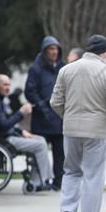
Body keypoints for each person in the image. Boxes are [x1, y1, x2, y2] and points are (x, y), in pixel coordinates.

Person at [51, 35, 106, 212]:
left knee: (71, 171)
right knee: (93, 177)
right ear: (104, 53)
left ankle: (68, 211)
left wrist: (68, 117)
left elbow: (55, 101)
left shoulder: (66, 70)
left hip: (71, 129)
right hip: (98, 131)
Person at [0, 75, 54, 190]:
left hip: (0, 136)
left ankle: (44, 178)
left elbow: (3, 122)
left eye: (9, 85)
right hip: (0, 139)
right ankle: (37, 182)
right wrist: (21, 113)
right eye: (5, 85)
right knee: (40, 144)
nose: (8, 88)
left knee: (40, 139)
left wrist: (21, 131)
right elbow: (3, 125)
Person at [25, 36, 66, 189]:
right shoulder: (35, 69)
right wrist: (42, 106)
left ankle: (59, 182)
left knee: (60, 153)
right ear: (44, 51)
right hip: (41, 118)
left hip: (59, 117)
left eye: (56, 49)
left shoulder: (63, 68)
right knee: (37, 152)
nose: (54, 52)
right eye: (51, 49)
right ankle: (39, 181)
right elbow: (30, 91)